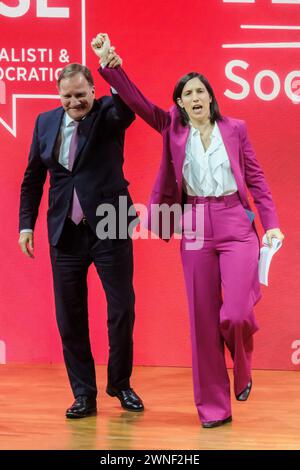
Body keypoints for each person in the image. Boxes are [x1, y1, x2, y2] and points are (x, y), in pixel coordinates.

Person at [91, 33, 285, 428]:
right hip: (194, 223)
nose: (196, 97)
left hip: (235, 221)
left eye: (201, 91)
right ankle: (214, 409)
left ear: (210, 98)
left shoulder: (236, 129)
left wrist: (273, 225)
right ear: (180, 102)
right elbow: (137, 101)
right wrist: (111, 65)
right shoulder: (171, 128)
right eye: (187, 93)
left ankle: (243, 366)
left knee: (236, 314)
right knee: (202, 318)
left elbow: (258, 181)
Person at [18, 62, 144, 418]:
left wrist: (113, 67)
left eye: (80, 94)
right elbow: (32, 179)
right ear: (59, 95)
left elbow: (129, 103)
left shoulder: (109, 112)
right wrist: (25, 225)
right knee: (69, 317)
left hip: (111, 223)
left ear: (93, 91)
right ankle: (84, 394)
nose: (74, 101)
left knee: (122, 310)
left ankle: (120, 383)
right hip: (64, 230)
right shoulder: (45, 122)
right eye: (67, 95)